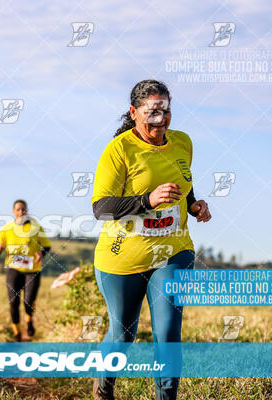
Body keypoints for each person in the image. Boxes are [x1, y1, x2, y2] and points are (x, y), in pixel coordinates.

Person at [91, 80, 211, 400]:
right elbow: (101, 208)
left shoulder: (183, 142)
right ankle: (104, 387)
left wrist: (193, 204)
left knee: (168, 332)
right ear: (134, 113)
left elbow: (183, 185)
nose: (161, 118)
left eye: (166, 110)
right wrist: (147, 200)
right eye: (152, 112)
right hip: (122, 256)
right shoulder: (119, 150)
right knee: (123, 333)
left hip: (173, 251)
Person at [0, 200, 51, 342]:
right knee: (13, 302)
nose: (21, 212)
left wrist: (41, 253)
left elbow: (46, 246)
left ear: (27, 211)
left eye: (23, 209)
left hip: (32, 270)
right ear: (13, 211)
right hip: (13, 269)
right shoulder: (6, 229)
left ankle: (29, 321)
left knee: (28, 301)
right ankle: (17, 333)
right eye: (18, 209)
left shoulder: (36, 227)